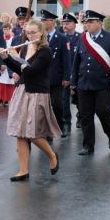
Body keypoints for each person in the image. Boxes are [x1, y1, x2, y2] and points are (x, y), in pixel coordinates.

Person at [0, 18, 61, 181]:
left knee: (33, 133)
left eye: (33, 33)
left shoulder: (46, 51)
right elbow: (21, 70)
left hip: (37, 93)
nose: (30, 36)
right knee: (20, 132)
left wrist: (16, 57)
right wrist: (6, 58)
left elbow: (31, 71)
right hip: (22, 90)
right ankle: (23, 170)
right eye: (28, 33)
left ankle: (52, 155)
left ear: (41, 33)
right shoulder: (26, 48)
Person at [70, 10, 110, 155]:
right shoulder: (83, 38)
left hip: (103, 83)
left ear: (99, 23)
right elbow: (77, 61)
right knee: (85, 115)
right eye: (85, 22)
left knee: (102, 111)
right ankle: (88, 145)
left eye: (90, 22)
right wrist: (73, 82)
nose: (87, 24)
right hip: (84, 83)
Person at [39, 9, 71, 137]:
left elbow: (66, 59)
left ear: (52, 22)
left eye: (44, 20)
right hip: (41, 78)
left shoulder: (62, 38)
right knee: (43, 106)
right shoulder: (39, 37)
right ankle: (47, 131)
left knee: (57, 105)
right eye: (41, 20)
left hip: (56, 78)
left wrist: (66, 77)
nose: (42, 23)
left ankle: (59, 126)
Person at [60, 12, 80, 135]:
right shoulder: (61, 38)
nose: (65, 25)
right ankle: (66, 124)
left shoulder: (81, 38)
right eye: (64, 23)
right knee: (63, 100)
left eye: (68, 23)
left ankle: (80, 116)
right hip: (64, 74)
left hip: (78, 74)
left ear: (74, 24)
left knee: (80, 99)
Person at [0, 23, 16, 106]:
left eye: (7, 29)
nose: (5, 31)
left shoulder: (13, 39)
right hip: (2, 62)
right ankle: (0, 99)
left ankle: (8, 99)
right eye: (4, 29)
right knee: (1, 81)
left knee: (9, 81)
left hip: (9, 61)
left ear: (10, 29)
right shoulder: (1, 39)